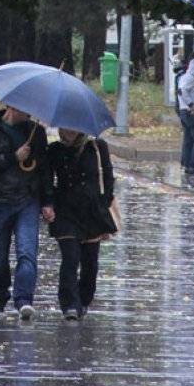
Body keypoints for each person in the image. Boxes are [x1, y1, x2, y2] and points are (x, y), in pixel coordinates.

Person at [0, 106, 54, 321]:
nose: (28, 112)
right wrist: (13, 157)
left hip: (27, 200)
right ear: (11, 106)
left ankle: (24, 300)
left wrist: (47, 201)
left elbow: (44, 168)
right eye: (23, 108)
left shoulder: (36, 132)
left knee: (27, 251)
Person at [46, 128, 115, 320]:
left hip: (92, 212)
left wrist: (104, 203)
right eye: (65, 128)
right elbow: (46, 180)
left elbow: (108, 176)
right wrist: (48, 203)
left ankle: (84, 300)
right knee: (70, 258)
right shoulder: (54, 150)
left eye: (73, 128)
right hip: (65, 212)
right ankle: (69, 304)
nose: (69, 132)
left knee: (90, 262)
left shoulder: (97, 147)